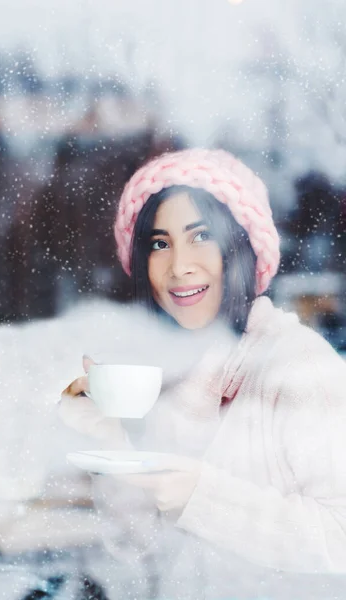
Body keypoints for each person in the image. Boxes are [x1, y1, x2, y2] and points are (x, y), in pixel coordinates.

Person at [58, 148, 346, 596]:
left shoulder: (299, 368)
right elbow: (141, 555)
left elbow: (340, 541)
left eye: (201, 236)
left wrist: (203, 497)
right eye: (159, 243)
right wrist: (110, 442)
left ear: (241, 246)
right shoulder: (175, 375)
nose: (179, 266)